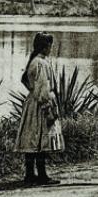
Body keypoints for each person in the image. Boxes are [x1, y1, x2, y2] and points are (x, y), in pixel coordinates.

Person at [14, 32, 65, 185]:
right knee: (41, 137)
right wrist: (48, 107)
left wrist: (34, 92)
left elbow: (25, 80)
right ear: (44, 46)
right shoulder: (41, 63)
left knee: (32, 138)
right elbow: (43, 89)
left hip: (31, 103)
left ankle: (30, 175)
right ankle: (41, 175)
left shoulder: (34, 61)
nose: (51, 48)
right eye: (50, 45)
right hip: (40, 104)